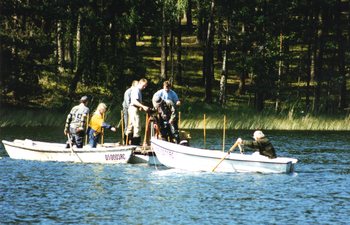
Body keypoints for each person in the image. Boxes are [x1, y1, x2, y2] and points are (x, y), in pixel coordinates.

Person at [125, 78, 149, 145]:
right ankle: (135, 144)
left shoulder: (138, 90)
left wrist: (140, 107)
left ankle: (128, 142)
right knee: (137, 126)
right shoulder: (136, 90)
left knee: (131, 126)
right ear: (140, 83)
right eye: (143, 86)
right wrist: (143, 106)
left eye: (145, 86)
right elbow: (134, 101)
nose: (144, 87)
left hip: (134, 108)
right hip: (133, 109)